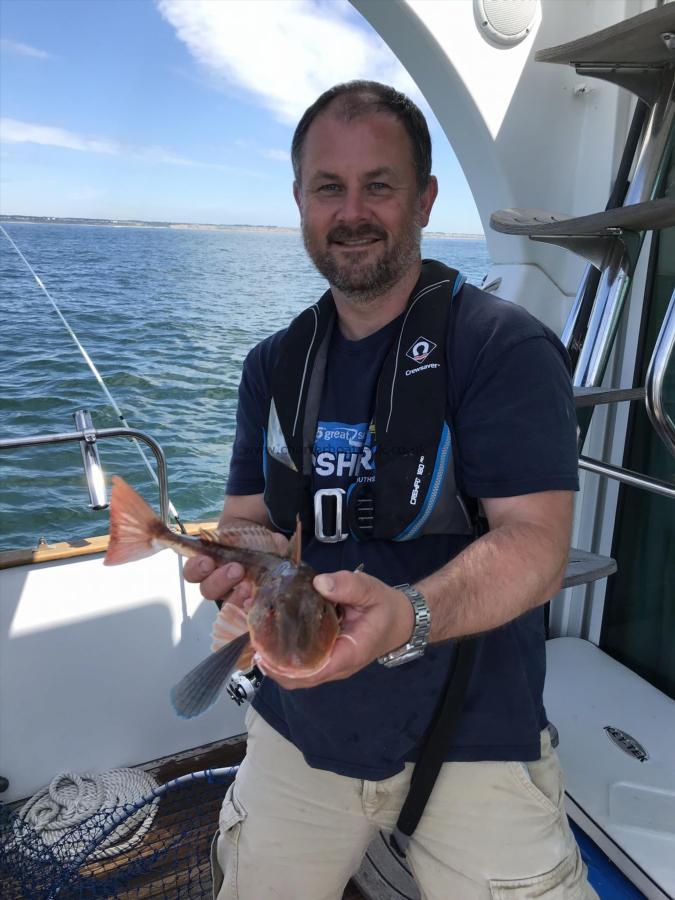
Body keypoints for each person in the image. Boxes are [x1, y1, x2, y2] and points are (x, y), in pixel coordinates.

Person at [185, 81, 597, 900]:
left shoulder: (500, 346)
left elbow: (537, 547)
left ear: (424, 200)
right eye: (328, 187)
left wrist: (406, 615)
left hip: (476, 739)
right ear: (299, 202)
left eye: (379, 185)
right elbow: (247, 520)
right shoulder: (272, 363)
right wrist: (229, 566)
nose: (352, 211)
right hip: (296, 730)